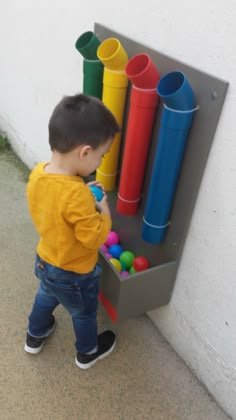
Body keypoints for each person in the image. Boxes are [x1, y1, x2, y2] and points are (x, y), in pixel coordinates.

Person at [24, 93, 120, 369]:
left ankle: (35, 335)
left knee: (46, 296)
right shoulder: (76, 196)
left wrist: (83, 193)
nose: (100, 163)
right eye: (101, 156)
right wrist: (103, 211)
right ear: (85, 152)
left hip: (46, 259)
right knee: (83, 312)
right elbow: (93, 238)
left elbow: (57, 204)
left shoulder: (39, 173)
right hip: (74, 272)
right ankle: (87, 352)